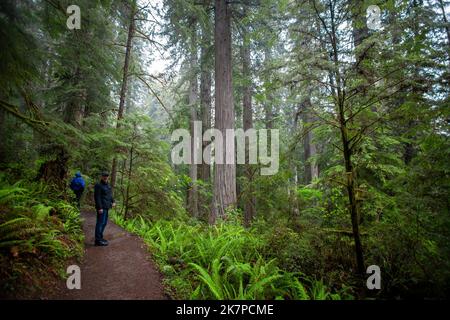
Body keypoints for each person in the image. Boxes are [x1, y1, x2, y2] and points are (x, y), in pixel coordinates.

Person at [94, 171, 115, 246]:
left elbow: (110, 195)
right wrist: (99, 208)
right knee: (100, 223)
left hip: (106, 207)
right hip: (102, 208)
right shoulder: (98, 185)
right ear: (101, 176)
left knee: (104, 223)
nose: (105, 177)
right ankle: (97, 240)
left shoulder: (108, 185)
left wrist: (113, 201)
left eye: (107, 176)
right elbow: (97, 197)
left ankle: (100, 237)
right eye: (104, 176)